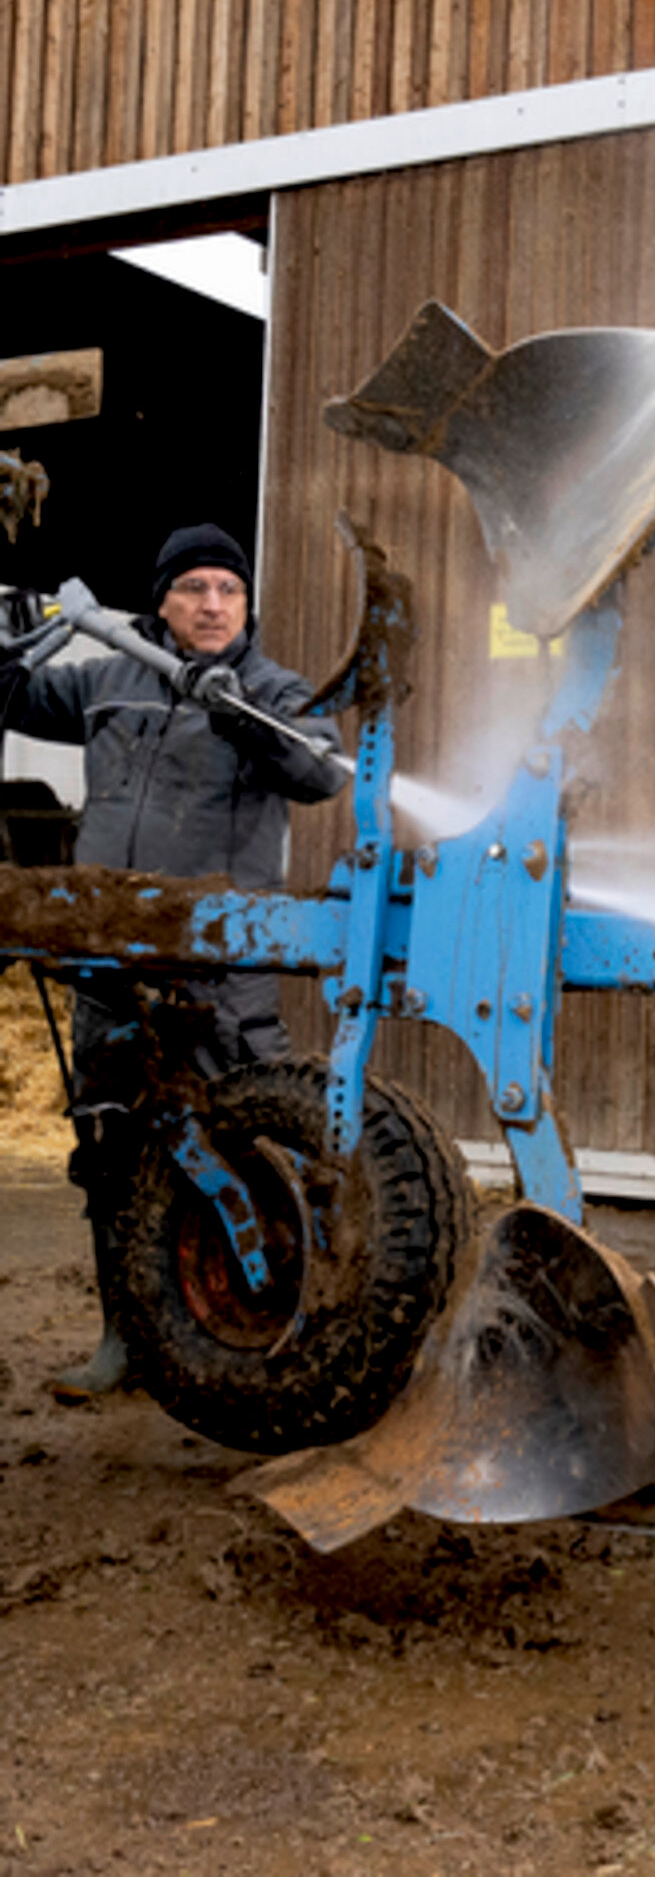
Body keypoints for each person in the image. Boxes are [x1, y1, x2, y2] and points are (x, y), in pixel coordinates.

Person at [1, 524, 344, 1396]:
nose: (213, 604)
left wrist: (241, 714)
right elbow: (18, 701)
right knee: (110, 1150)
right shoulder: (112, 677)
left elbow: (321, 772)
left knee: (255, 1139)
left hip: (219, 969)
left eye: (227, 590)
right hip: (112, 960)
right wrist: (8, 644)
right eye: (193, 588)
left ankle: (276, 1332)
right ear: (161, 603)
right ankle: (126, 1340)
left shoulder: (271, 689)